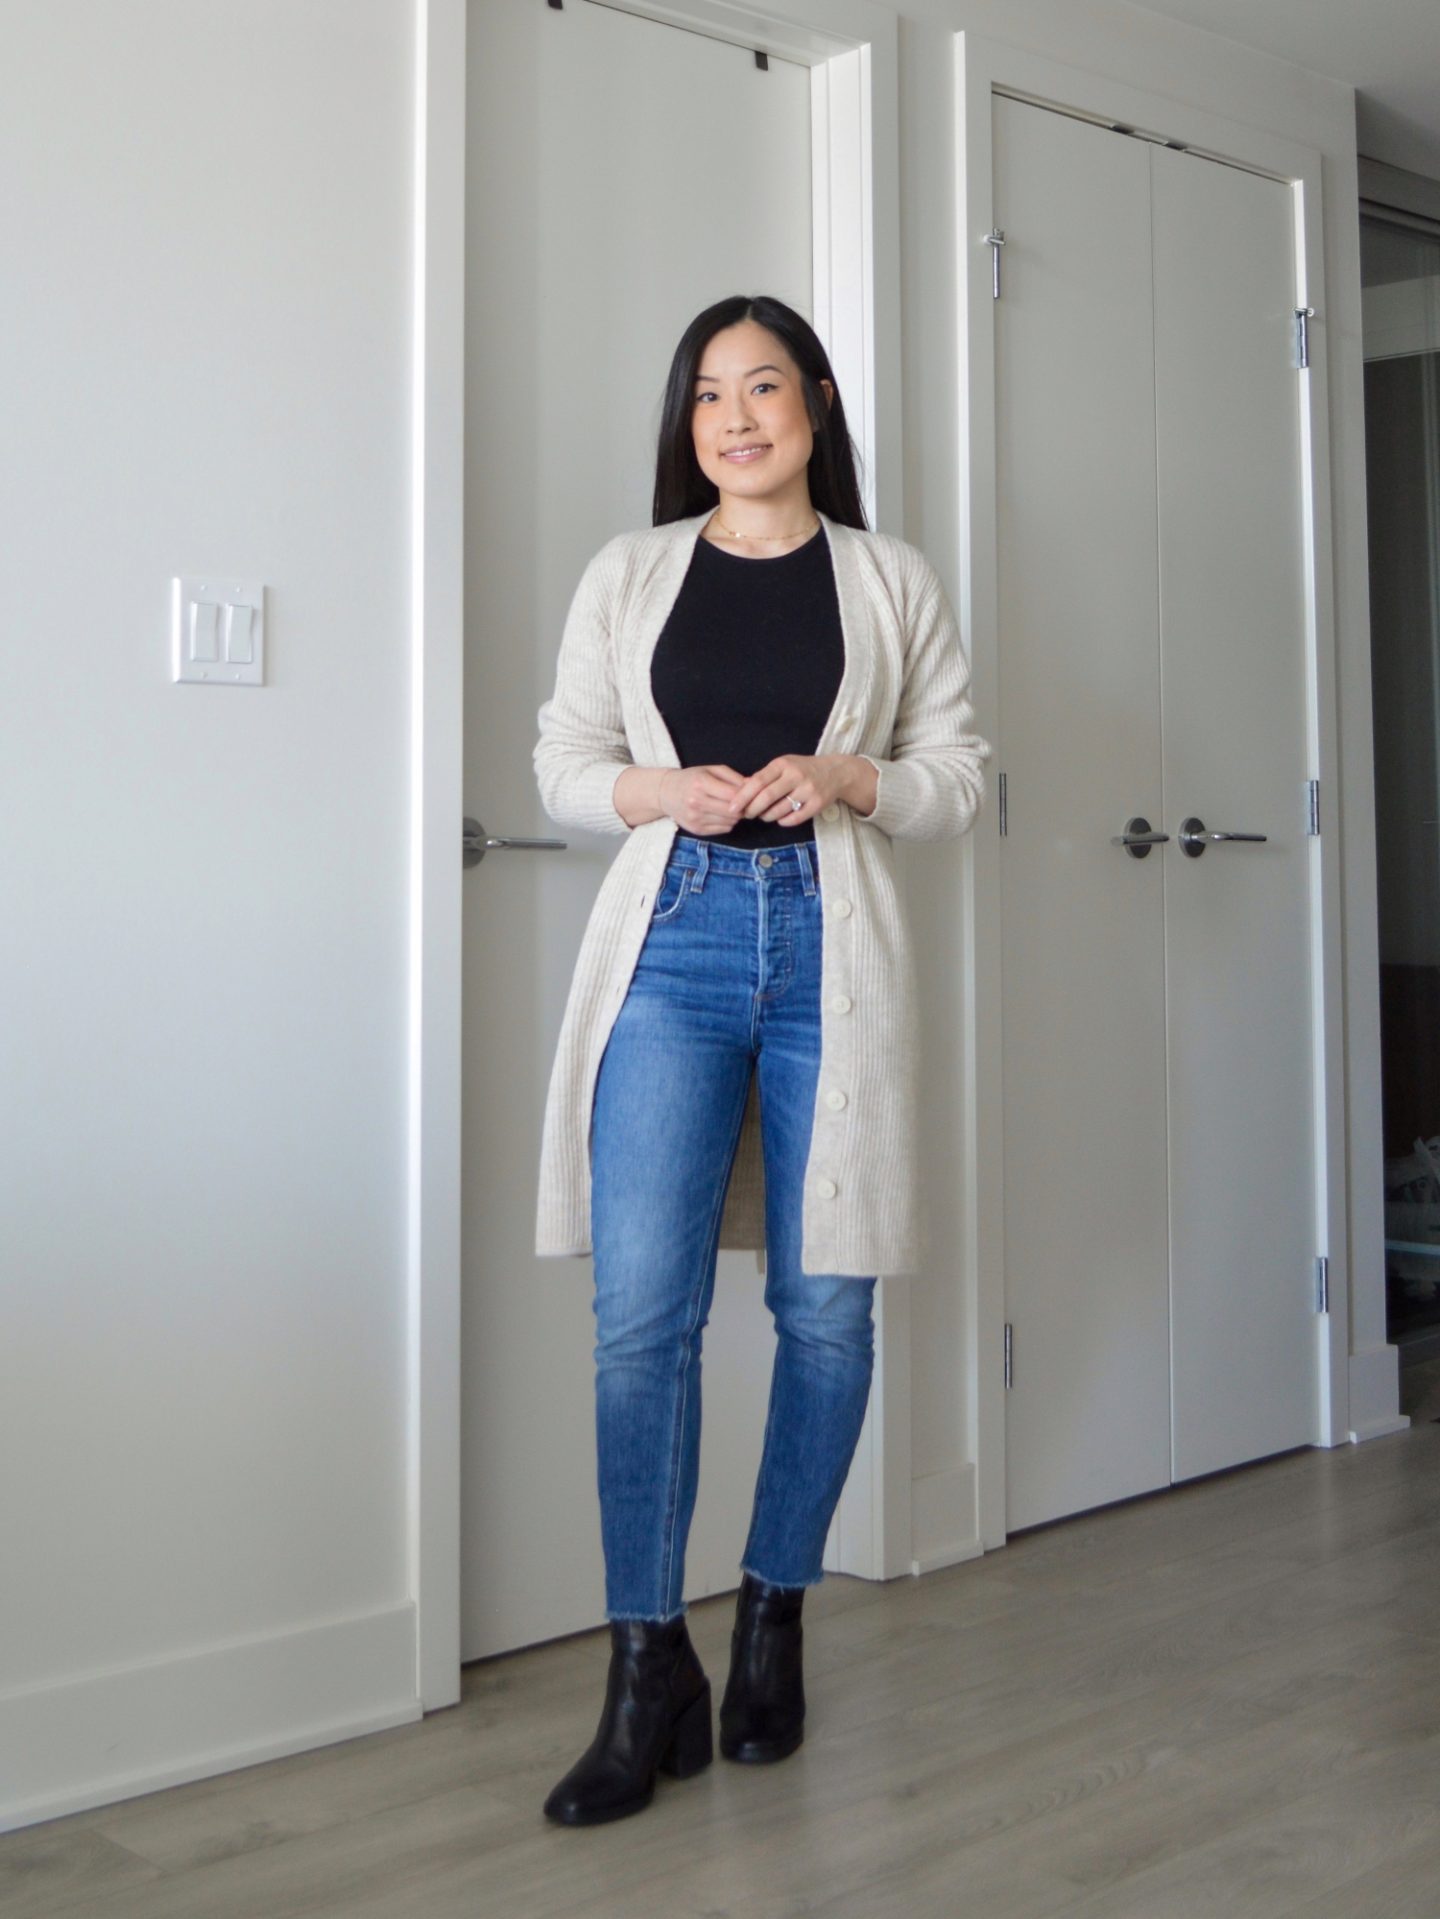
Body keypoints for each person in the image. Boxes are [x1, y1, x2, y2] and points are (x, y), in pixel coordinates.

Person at [532, 294, 991, 1827]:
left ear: (818, 404)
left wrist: (858, 773)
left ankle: (774, 1611)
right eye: (709, 395)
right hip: (670, 947)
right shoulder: (630, 572)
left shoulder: (888, 577)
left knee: (828, 1307)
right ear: (688, 425)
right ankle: (646, 1662)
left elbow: (960, 777)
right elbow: (564, 762)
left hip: (832, 955)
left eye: (764, 388)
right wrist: (657, 786)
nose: (736, 417)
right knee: (638, 1320)